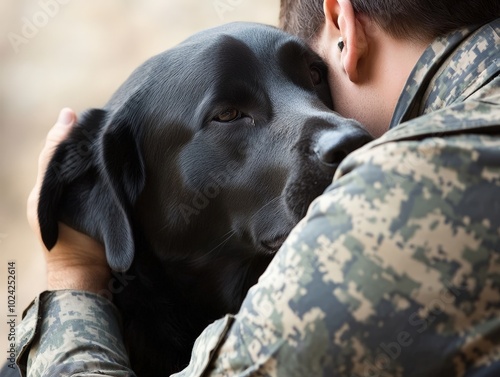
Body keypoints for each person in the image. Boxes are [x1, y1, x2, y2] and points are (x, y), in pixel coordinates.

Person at [14, 0, 500, 375]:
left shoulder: (396, 204)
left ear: (342, 24)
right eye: (228, 115)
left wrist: (72, 278)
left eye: (313, 77)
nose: (335, 127)